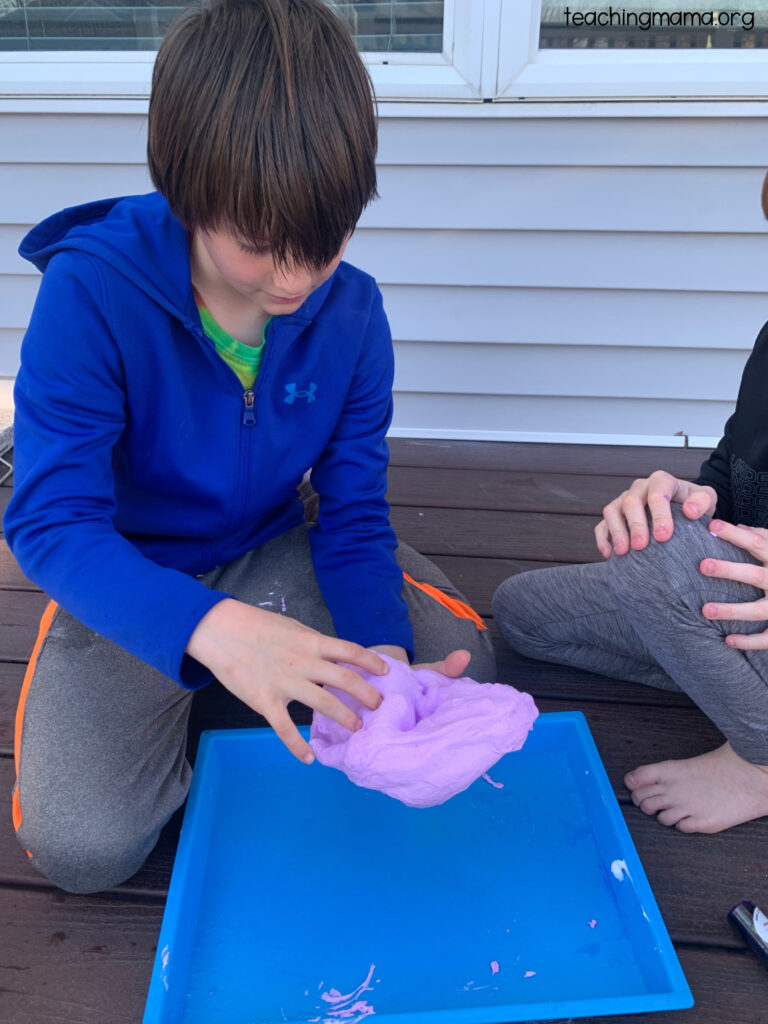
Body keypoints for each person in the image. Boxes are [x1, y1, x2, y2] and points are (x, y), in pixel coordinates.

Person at [5, 0, 495, 894]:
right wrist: (210, 630)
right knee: (84, 850)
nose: (298, 280)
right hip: (134, 569)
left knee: (450, 674)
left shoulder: (353, 314)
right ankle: (215, 666)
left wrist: (380, 654)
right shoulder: (92, 294)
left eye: (328, 241)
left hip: (275, 542)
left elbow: (351, 513)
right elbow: (51, 524)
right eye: (263, 248)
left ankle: (247, 671)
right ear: (188, 189)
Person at [493, 181, 768, 835]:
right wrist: (681, 498)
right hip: (744, 605)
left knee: (655, 556)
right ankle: (744, 695)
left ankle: (760, 762)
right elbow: (730, 475)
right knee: (523, 615)